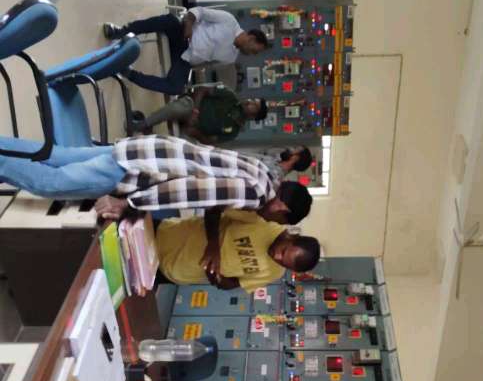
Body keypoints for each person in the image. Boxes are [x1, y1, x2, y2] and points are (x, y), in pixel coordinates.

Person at [0, 136, 312, 224]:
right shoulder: (257, 194)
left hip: (148, 149)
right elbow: (188, 190)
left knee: (56, 156)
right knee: (50, 183)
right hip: (138, 168)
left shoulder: (262, 171)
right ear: (281, 208)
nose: (268, 221)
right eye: (277, 221)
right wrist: (128, 203)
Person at [102, 7, 270, 96]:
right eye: (254, 51)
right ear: (252, 38)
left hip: (186, 59)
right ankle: (120, 32)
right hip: (183, 35)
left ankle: (128, 73)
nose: (251, 54)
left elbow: (206, 64)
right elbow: (199, 12)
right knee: (169, 21)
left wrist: (188, 70)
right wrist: (188, 24)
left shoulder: (231, 58)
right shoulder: (229, 21)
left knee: (176, 87)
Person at [156, 208, 320, 292]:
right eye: (283, 251)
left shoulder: (274, 272)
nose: (276, 257)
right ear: (292, 236)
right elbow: (215, 207)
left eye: (283, 263)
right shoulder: (266, 221)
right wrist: (213, 244)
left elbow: (233, 284)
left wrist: (218, 280)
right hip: (165, 235)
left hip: (172, 273)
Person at [133, 88, 268, 143]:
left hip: (194, 130)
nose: (249, 101)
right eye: (252, 100)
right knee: (181, 107)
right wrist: (195, 111)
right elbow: (202, 90)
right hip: (192, 107)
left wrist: (194, 132)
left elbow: (210, 140)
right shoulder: (230, 96)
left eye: (253, 105)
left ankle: (148, 143)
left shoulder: (233, 131)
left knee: (182, 148)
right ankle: (143, 124)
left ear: (253, 116)